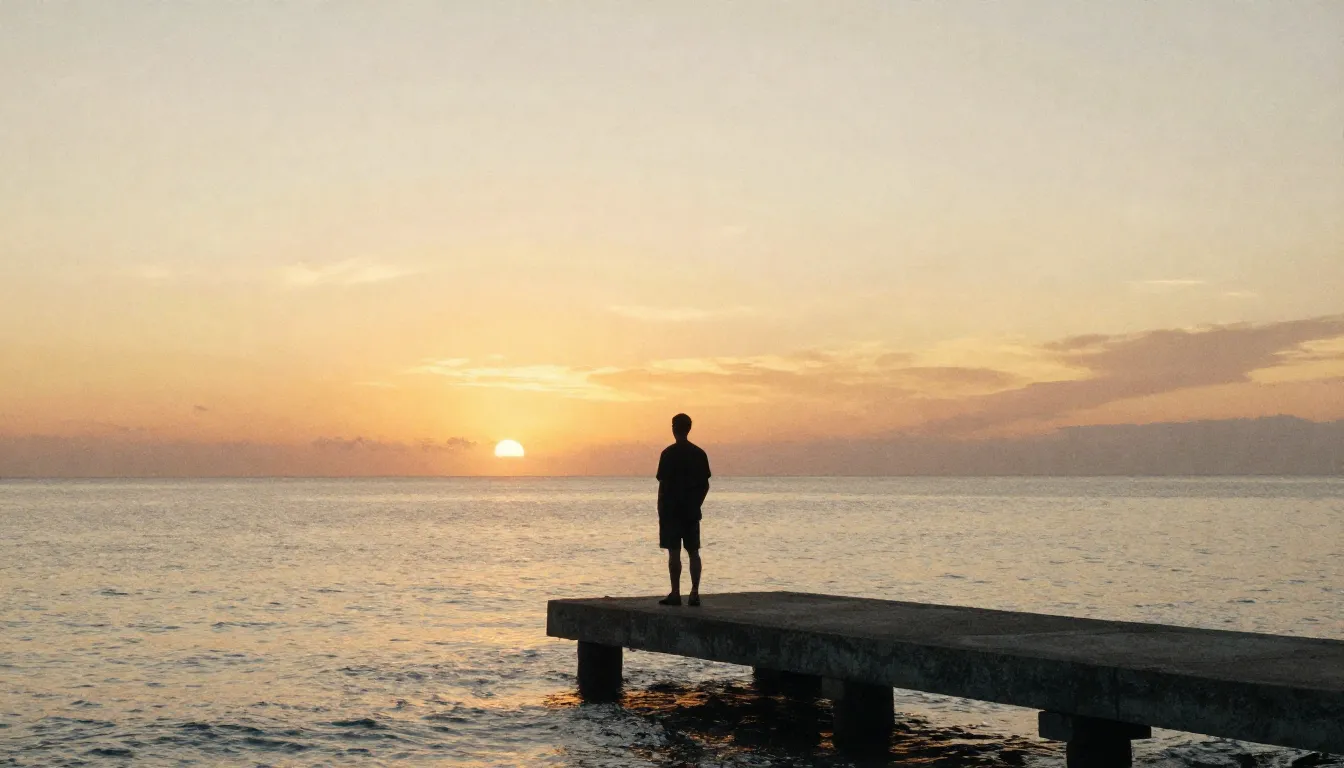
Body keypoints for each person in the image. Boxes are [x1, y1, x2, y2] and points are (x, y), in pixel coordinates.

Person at [655, 413, 711, 606]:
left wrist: (661, 509)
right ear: (689, 428)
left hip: (671, 511)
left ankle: (676, 592)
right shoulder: (699, 454)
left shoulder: (668, 454)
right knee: (693, 551)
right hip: (691, 511)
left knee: (674, 553)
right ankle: (694, 592)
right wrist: (696, 504)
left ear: (674, 428)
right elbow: (705, 485)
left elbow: (663, 485)